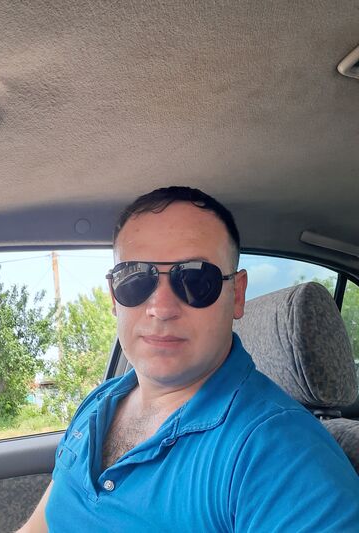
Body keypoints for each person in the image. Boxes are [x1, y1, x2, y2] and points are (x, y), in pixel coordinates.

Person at [19, 186, 359, 532]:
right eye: (135, 278)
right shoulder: (98, 403)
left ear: (237, 294)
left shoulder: (281, 455)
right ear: (113, 296)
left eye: (196, 278)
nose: (161, 308)